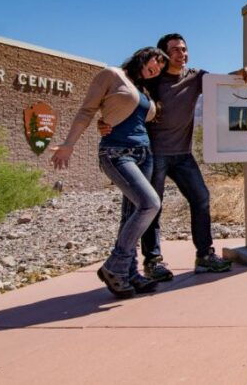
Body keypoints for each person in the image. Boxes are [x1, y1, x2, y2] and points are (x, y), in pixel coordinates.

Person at [100, 33, 247, 280]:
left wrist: (243, 71)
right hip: (153, 154)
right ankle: (153, 262)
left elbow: (221, 81)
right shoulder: (152, 80)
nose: (181, 54)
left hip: (183, 154)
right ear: (163, 54)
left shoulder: (195, 77)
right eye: (174, 50)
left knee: (201, 198)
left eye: (184, 49)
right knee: (153, 208)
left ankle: (205, 256)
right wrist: (106, 122)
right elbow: (124, 98)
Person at [52, 47, 168, 298]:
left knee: (131, 215)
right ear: (142, 56)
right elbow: (87, 110)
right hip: (117, 152)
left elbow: (127, 116)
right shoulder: (112, 75)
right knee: (150, 204)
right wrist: (69, 144)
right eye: (155, 61)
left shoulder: (143, 90)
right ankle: (114, 266)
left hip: (144, 155)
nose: (156, 68)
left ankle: (129, 273)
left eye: (160, 68)